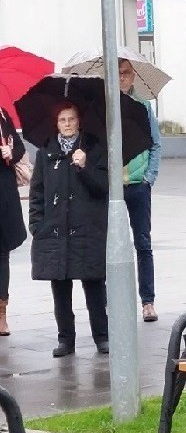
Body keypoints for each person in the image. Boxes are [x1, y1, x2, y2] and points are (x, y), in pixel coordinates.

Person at [28, 102, 109, 357]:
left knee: (94, 285)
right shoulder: (45, 152)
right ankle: (66, 339)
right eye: (62, 120)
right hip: (54, 231)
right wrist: (37, 225)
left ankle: (102, 337)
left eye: (71, 119)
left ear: (79, 121)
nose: (67, 124)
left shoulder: (94, 148)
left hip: (87, 230)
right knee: (60, 288)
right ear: (57, 123)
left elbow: (103, 188)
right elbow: (37, 192)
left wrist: (83, 167)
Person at [119, 57, 162, 322]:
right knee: (111, 246)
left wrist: (149, 177)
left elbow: (156, 144)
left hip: (138, 185)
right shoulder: (104, 106)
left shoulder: (143, 106)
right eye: (118, 73)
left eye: (126, 73)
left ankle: (148, 301)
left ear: (133, 76)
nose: (122, 77)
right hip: (111, 188)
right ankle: (114, 303)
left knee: (143, 243)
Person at [0, 106, 28, 336]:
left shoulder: (2, 115)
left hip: (4, 196)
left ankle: (1, 313)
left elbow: (19, 147)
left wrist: (11, 151)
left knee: (2, 254)